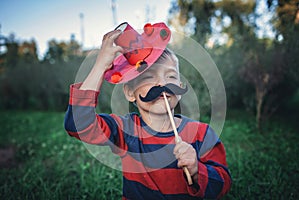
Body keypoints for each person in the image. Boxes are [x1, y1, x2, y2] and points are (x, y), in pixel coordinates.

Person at [64, 22, 231, 199]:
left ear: (180, 87)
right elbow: (77, 125)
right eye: (149, 77)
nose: (161, 84)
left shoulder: (202, 134)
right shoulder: (125, 131)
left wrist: (198, 170)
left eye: (171, 76)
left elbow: (224, 183)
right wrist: (99, 67)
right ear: (130, 93)